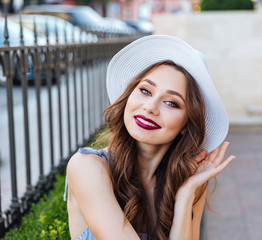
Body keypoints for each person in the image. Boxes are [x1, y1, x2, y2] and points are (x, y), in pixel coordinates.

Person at [64, 35, 235, 240]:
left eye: (171, 103)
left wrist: (186, 193)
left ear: (186, 124)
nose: (150, 107)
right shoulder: (87, 167)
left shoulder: (189, 180)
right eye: (145, 90)